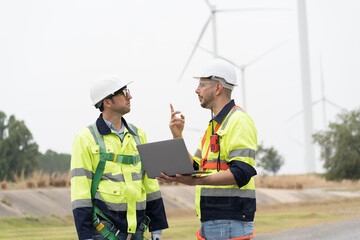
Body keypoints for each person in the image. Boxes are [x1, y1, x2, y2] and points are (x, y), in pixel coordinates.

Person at [159, 58, 257, 240]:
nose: (196, 90)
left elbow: (241, 172)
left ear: (218, 88)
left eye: (202, 84)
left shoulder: (239, 121)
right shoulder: (214, 126)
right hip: (213, 218)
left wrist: (194, 182)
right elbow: (196, 167)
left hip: (230, 219)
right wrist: (177, 137)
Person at [71, 76, 168, 240]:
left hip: (138, 228)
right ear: (107, 102)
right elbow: (80, 191)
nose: (129, 96)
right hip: (104, 230)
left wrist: (157, 226)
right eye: (124, 93)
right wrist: (85, 235)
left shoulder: (138, 135)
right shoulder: (86, 138)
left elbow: (150, 182)